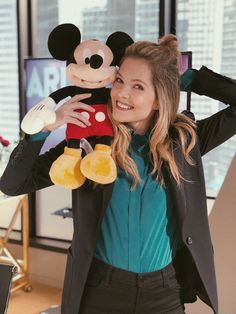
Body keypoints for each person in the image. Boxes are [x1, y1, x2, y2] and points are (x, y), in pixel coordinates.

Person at [0, 34, 236, 314]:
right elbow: (13, 185)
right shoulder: (91, 145)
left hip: (164, 293)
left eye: (138, 86)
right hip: (99, 290)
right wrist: (41, 130)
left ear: (160, 98)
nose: (121, 94)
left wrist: (188, 78)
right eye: (120, 80)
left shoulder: (184, 142)